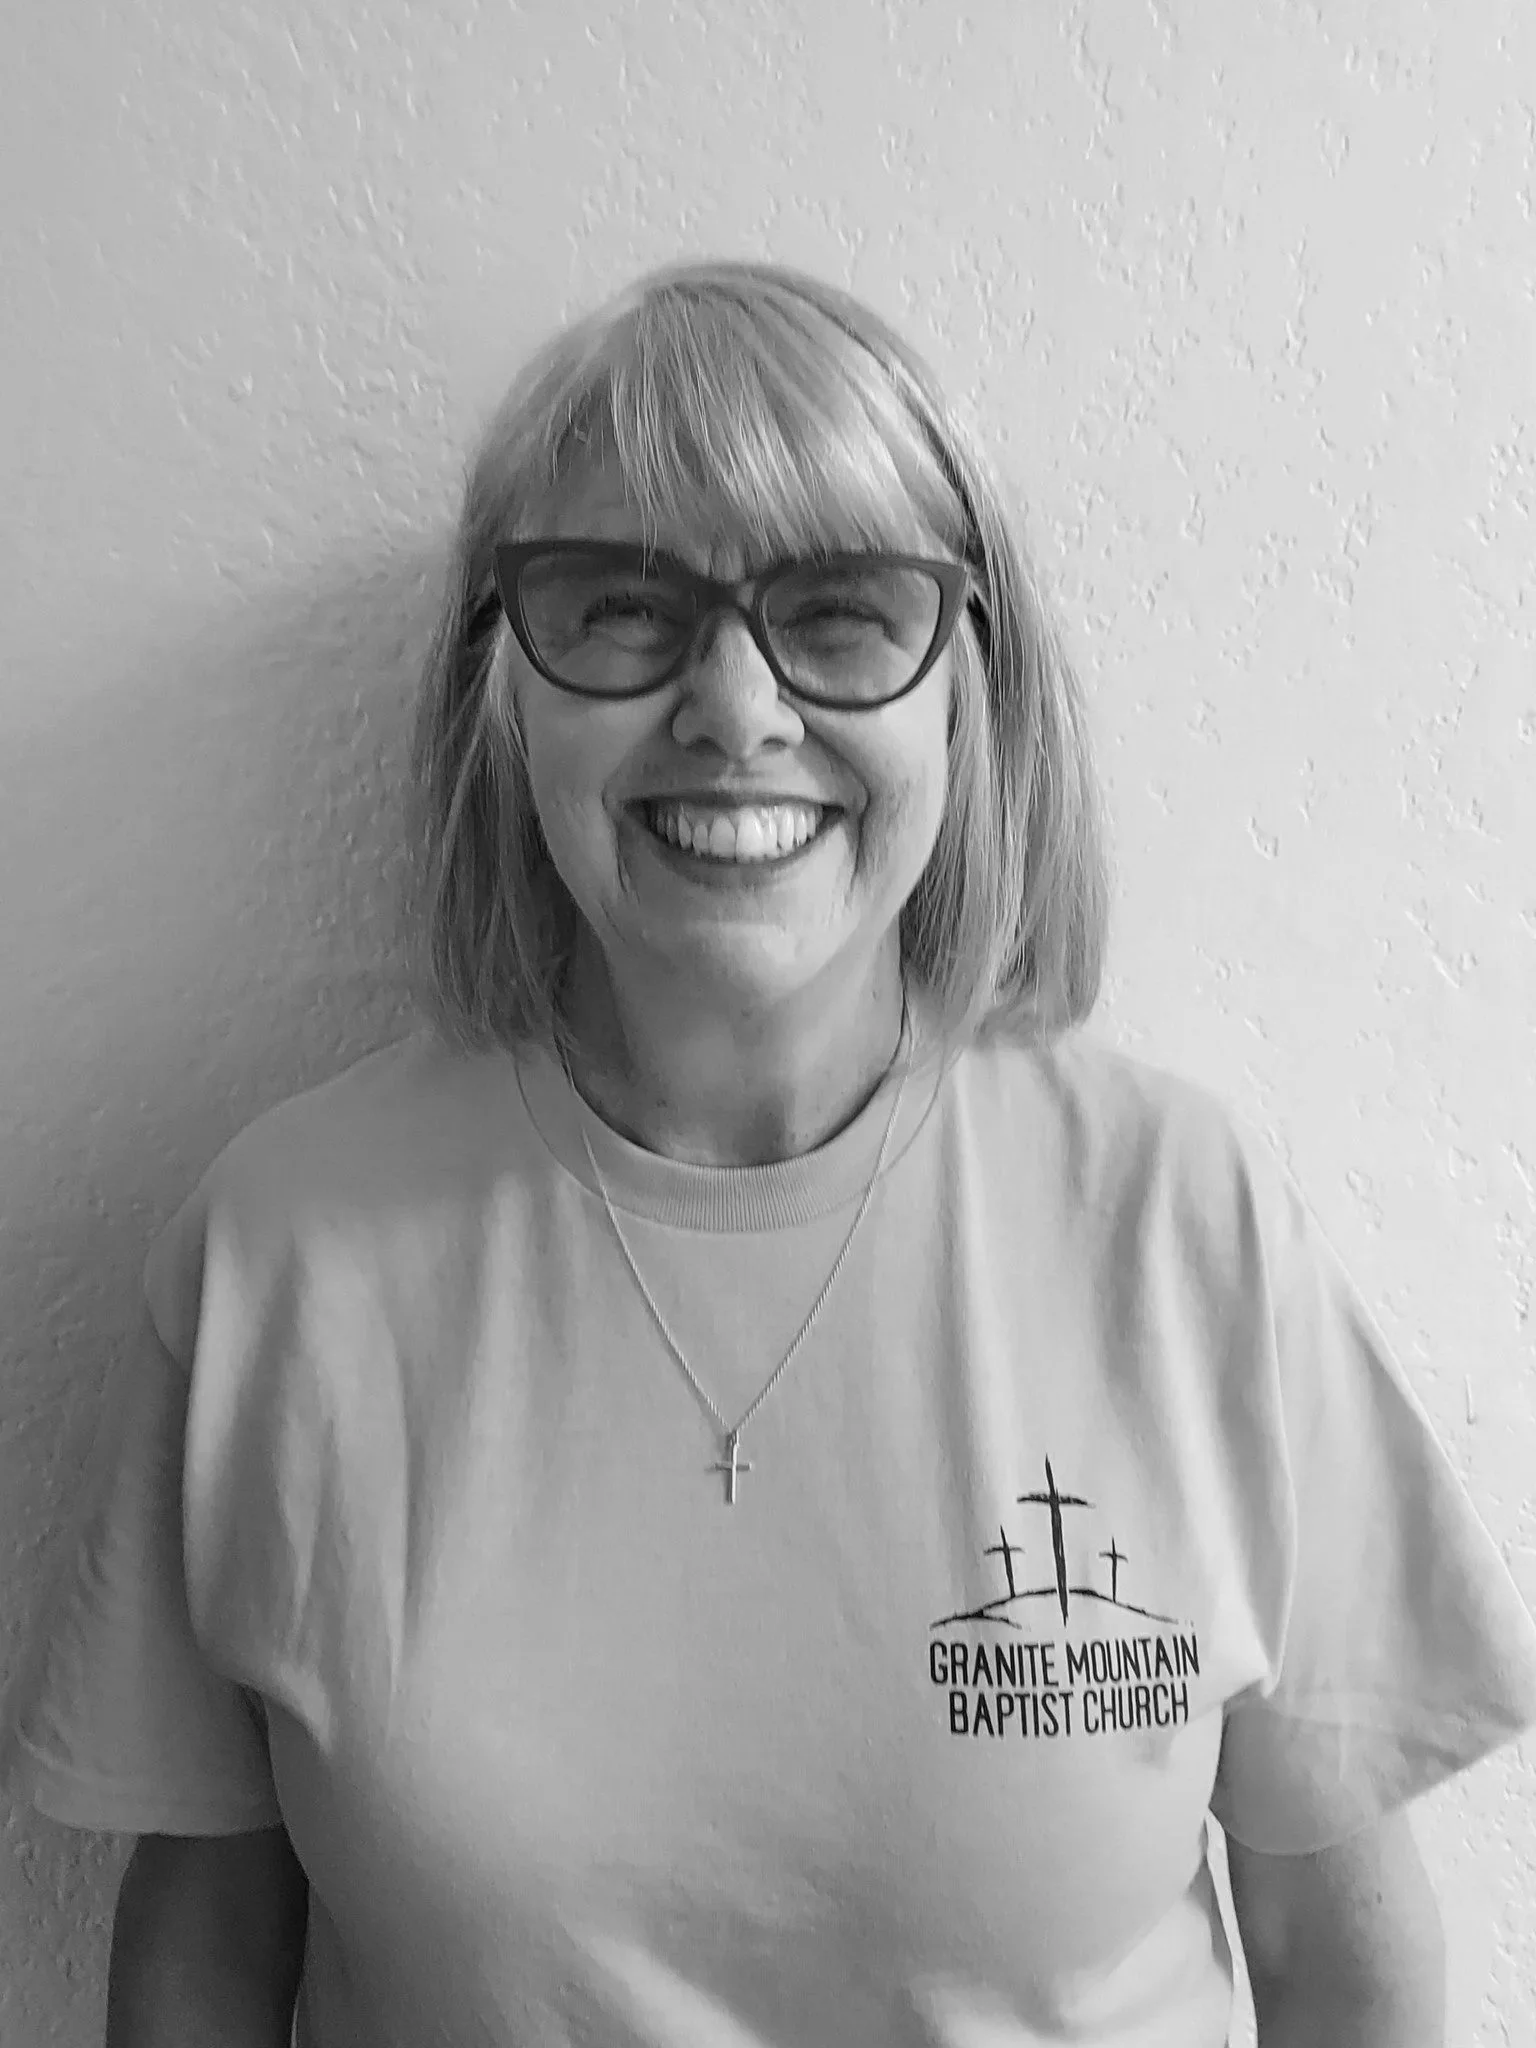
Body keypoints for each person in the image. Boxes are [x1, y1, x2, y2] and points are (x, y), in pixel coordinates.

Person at [4, 257, 1535, 2048]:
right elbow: (203, 1955)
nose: (736, 710)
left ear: (970, 693)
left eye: (844, 612)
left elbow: (1341, 1955)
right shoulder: (283, 1252)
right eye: (621, 608)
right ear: (501, 692)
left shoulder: (1185, 1224)